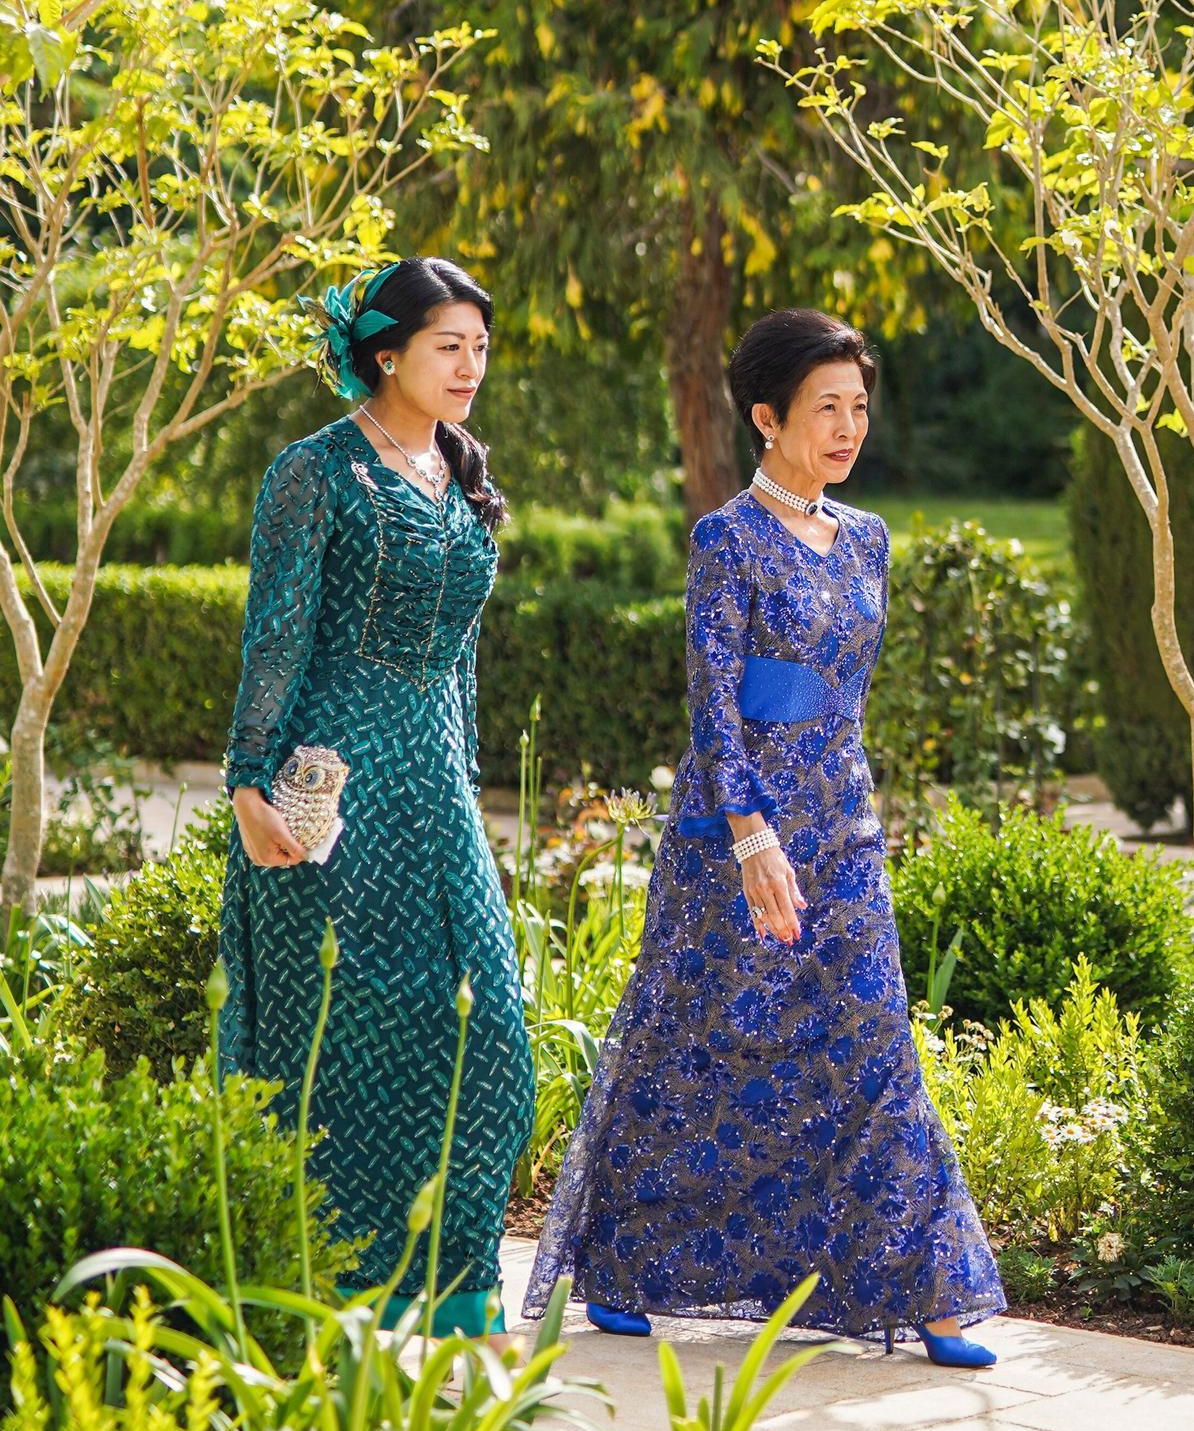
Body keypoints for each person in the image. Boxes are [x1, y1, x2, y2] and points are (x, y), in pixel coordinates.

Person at [522, 307, 1005, 1367]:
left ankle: (926, 1289)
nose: (848, 427)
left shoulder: (871, 539)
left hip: (845, 825)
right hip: (732, 840)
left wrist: (842, 814)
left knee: (877, 1047)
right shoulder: (726, 540)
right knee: (692, 1048)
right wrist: (751, 837)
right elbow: (713, 705)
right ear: (767, 418)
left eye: (859, 407)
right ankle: (624, 1263)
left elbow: (848, 700)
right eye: (826, 408)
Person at [219, 255, 534, 1340]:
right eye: (449, 345)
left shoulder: (461, 470)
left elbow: (465, 660)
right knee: (346, 1039)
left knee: (490, 1036)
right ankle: (338, 1286)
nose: (469, 365)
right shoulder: (316, 473)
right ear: (385, 353)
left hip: (436, 790)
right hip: (333, 789)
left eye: (480, 347)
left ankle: (452, 1287)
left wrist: (471, 781)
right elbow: (276, 634)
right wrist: (249, 784)